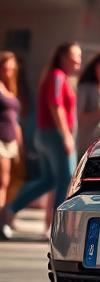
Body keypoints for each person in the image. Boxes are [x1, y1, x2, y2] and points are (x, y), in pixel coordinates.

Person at [0, 42, 81, 241]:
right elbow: (56, 106)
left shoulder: (56, 77)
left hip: (46, 135)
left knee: (49, 179)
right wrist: (66, 135)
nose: (78, 61)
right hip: (54, 135)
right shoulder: (57, 77)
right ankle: (57, 227)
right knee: (67, 178)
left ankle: (11, 208)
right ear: (62, 57)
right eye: (74, 56)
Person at [0, 52, 25, 239]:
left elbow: (15, 121)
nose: (8, 71)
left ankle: (4, 218)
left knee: (9, 183)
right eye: (5, 67)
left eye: (11, 68)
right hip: (0, 140)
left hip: (11, 142)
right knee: (2, 182)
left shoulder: (11, 87)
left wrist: (20, 143)